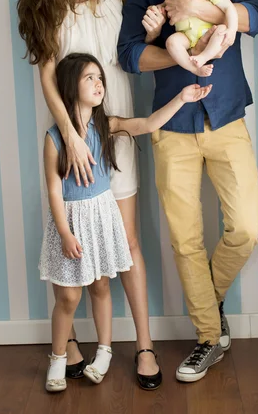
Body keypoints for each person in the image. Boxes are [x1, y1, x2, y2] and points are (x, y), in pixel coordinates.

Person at [118, 0, 258, 383]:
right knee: (184, 238)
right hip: (171, 124)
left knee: (247, 222)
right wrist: (186, 54)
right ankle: (208, 335)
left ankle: (208, 293)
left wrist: (194, 8)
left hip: (225, 115)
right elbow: (129, 54)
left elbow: (256, 17)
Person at [17, 0, 160, 389]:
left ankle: (143, 345)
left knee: (127, 242)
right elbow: (47, 77)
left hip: (117, 129)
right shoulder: (46, 7)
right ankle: (71, 343)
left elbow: (145, 34)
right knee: (73, 240)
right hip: (73, 139)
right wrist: (72, 138)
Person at [39, 52, 212, 392]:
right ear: (69, 87)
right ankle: (58, 357)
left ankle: (104, 352)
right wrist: (63, 232)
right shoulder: (55, 137)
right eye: (89, 77)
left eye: (99, 77)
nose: (98, 82)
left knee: (101, 287)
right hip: (72, 222)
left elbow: (146, 125)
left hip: (101, 216)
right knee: (69, 297)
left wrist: (182, 97)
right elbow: (54, 191)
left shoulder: (106, 125)